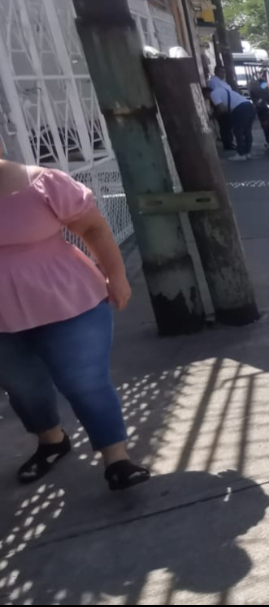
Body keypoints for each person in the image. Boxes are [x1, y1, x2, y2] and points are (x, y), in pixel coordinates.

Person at [0, 151, 151, 490]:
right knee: (24, 387)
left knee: (84, 381)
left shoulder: (42, 184)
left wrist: (116, 274)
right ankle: (52, 441)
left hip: (71, 303)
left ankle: (117, 460)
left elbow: (94, 228)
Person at [207, 72, 256, 161]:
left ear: (207, 93)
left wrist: (212, 117)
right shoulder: (223, 90)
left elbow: (221, 109)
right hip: (249, 106)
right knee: (247, 131)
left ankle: (241, 154)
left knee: (238, 131)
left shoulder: (213, 94)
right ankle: (247, 153)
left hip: (240, 109)